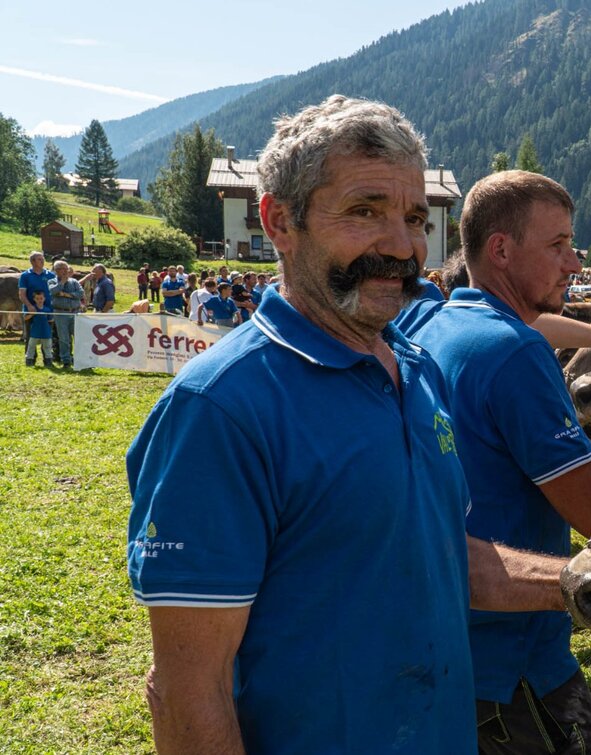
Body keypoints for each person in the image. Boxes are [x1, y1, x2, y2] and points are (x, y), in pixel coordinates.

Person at [127, 94, 568, 755]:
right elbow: (188, 690)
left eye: (415, 217)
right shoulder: (220, 408)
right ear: (279, 221)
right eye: (364, 211)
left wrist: (577, 582)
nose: (401, 245)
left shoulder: (419, 373)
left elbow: (435, 552)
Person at [407, 170, 591, 755]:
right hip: (516, 667)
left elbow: (524, 319)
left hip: (438, 648)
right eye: (558, 245)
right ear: (501, 249)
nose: (574, 263)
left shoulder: (431, 322)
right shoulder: (515, 353)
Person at [49, 260, 84, 366]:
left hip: (75, 312)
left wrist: (66, 294)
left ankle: (80, 359)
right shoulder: (51, 281)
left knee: (79, 336)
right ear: (56, 270)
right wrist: (62, 283)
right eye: (61, 269)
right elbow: (52, 291)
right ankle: (66, 360)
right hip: (60, 313)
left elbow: (81, 293)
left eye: (65, 268)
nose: (64, 271)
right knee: (64, 338)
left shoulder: (74, 282)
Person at [18, 251, 56, 345]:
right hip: (31, 311)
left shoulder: (51, 275)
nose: (42, 260)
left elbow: (56, 292)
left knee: (47, 337)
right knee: (30, 338)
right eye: (39, 259)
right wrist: (29, 306)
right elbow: (22, 294)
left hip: (48, 310)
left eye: (43, 258)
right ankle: (30, 358)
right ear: (33, 262)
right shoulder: (25, 276)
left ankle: (47, 358)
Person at [24, 290, 54, 367]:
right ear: (34, 299)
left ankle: (48, 361)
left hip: (46, 332)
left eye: (41, 298)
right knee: (31, 347)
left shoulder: (47, 309)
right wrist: (32, 314)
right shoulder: (32, 308)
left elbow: (50, 320)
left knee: (47, 348)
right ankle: (29, 361)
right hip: (35, 332)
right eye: (37, 298)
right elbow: (25, 318)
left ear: (44, 299)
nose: (39, 300)